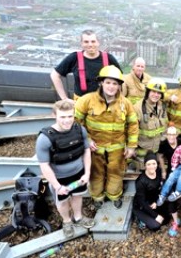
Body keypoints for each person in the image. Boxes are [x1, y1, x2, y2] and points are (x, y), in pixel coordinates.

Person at [75, 65, 139, 209]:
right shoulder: (87, 101)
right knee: (96, 174)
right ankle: (97, 198)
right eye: (108, 82)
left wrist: (131, 146)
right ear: (101, 83)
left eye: (115, 83)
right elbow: (76, 123)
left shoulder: (126, 104)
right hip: (94, 148)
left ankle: (114, 196)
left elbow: (133, 125)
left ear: (119, 86)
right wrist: (87, 140)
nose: (111, 86)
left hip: (117, 149)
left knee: (116, 173)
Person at [36, 99, 95, 237]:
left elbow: (86, 151)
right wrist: (57, 186)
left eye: (70, 116)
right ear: (54, 115)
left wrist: (86, 173)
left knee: (77, 196)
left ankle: (78, 217)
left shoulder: (80, 130)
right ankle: (67, 221)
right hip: (60, 178)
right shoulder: (45, 138)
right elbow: (44, 165)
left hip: (78, 173)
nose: (67, 120)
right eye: (62, 117)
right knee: (62, 201)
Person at [50, 29, 121, 100]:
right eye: (86, 42)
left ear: (98, 42)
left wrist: (118, 99)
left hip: (104, 101)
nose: (90, 45)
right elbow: (55, 75)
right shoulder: (74, 58)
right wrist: (64, 98)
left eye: (93, 41)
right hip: (81, 102)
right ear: (81, 43)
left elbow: (120, 79)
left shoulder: (108, 58)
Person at [133, 152, 177, 232]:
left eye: (154, 163)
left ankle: (150, 218)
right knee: (156, 226)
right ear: (145, 166)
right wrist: (156, 215)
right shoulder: (141, 181)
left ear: (157, 164)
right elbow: (141, 201)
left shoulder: (159, 172)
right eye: (148, 164)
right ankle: (142, 221)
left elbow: (161, 188)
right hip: (142, 205)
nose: (152, 166)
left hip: (154, 201)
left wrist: (156, 202)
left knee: (166, 218)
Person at [133, 78, 168, 171]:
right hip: (142, 154)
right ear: (147, 91)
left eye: (159, 93)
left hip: (157, 152)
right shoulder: (138, 108)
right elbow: (131, 131)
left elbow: (164, 128)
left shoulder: (162, 107)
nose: (156, 95)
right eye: (153, 91)